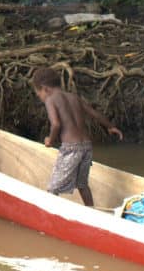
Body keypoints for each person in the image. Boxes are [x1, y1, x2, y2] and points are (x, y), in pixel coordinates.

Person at [31, 67, 123, 207]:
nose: (41, 98)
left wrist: (50, 140)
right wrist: (110, 126)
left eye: (39, 95)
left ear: (45, 89)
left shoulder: (51, 100)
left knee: (53, 188)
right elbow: (94, 113)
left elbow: (55, 124)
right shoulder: (74, 97)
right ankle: (91, 211)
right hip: (87, 147)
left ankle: (51, 215)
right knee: (82, 184)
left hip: (71, 148)